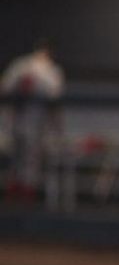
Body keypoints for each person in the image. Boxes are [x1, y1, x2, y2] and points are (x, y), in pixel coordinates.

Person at [1, 39, 64, 203]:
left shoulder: (52, 71)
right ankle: (13, 188)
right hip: (16, 116)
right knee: (14, 155)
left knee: (31, 157)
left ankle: (28, 190)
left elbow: (55, 97)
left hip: (36, 119)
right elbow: (5, 87)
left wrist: (55, 126)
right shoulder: (20, 66)